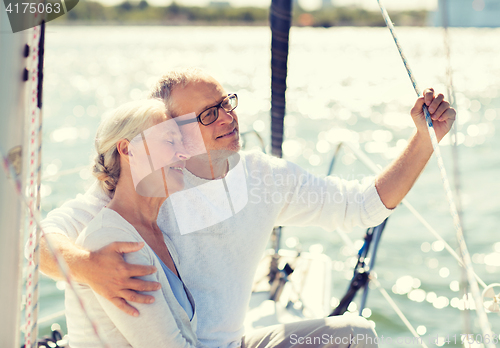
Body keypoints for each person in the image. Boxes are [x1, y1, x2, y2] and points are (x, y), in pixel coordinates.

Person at [38, 68, 456, 348]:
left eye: (227, 104)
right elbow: (34, 244)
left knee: (355, 336)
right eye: (208, 114)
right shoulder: (137, 195)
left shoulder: (261, 177)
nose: (228, 118)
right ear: (170, 130)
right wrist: (86, 265)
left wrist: (424, 139)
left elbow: (360, 206)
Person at [63, 99, 200, 347]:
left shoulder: (160, 235)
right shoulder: (114, 239)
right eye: (170, 141)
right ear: (127, 150)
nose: (184, 153)